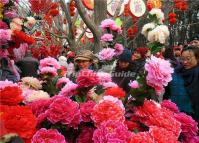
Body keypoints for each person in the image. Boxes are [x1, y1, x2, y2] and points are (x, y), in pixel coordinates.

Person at [164, 46, 199, 123]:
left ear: (197, 58)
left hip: (194, 116)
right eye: (183, 59)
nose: (185, 62)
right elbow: (167, 93)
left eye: (188, 58)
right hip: (176, 114)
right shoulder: (175, 73)